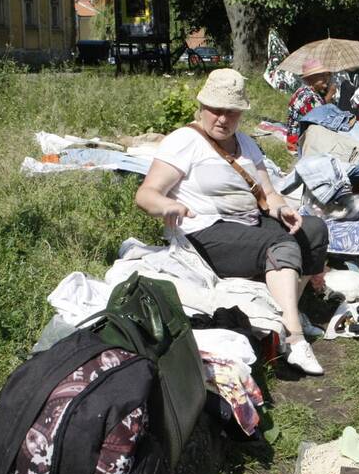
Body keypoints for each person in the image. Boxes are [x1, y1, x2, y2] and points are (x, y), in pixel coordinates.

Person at [136, 68, 330, 376]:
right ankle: (293, 338)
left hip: (248, 225)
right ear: (202, 107)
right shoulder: (184, 141)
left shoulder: (246, 144)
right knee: (278, 243)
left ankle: (286, 311)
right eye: (216, 110)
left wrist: (281, 210)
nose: (223, 119)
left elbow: (268, 193)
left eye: (232, 112)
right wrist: (169, 205)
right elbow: (146, 195)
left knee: (313, 230)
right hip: (204, 234)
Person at [287, 58, 337, 152]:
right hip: (299, 143)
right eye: (322, 76)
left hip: (301, 138)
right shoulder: (308, 96)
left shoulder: (308, 92)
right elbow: (321, 119)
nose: (326, 79)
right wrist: (329, 95)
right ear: (310, 78)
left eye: (327, 75)